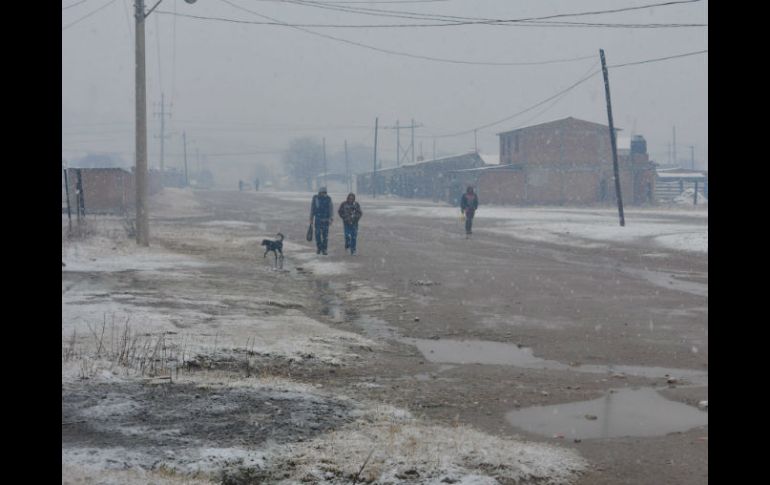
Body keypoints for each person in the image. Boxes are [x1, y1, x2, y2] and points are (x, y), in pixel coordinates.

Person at [309, 187, 333, 255]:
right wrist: (311, 219)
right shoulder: (315, 198)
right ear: (319, 192)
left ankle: (324, 249)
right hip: (318, 219)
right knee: (318, 235)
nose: (323, 194)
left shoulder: (328, 198)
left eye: (325, 192)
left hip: (326, 219)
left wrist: (331, 218)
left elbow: (331, 209)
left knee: (325, 236)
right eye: (322, 192)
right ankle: (319, 248)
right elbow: (312, 209)